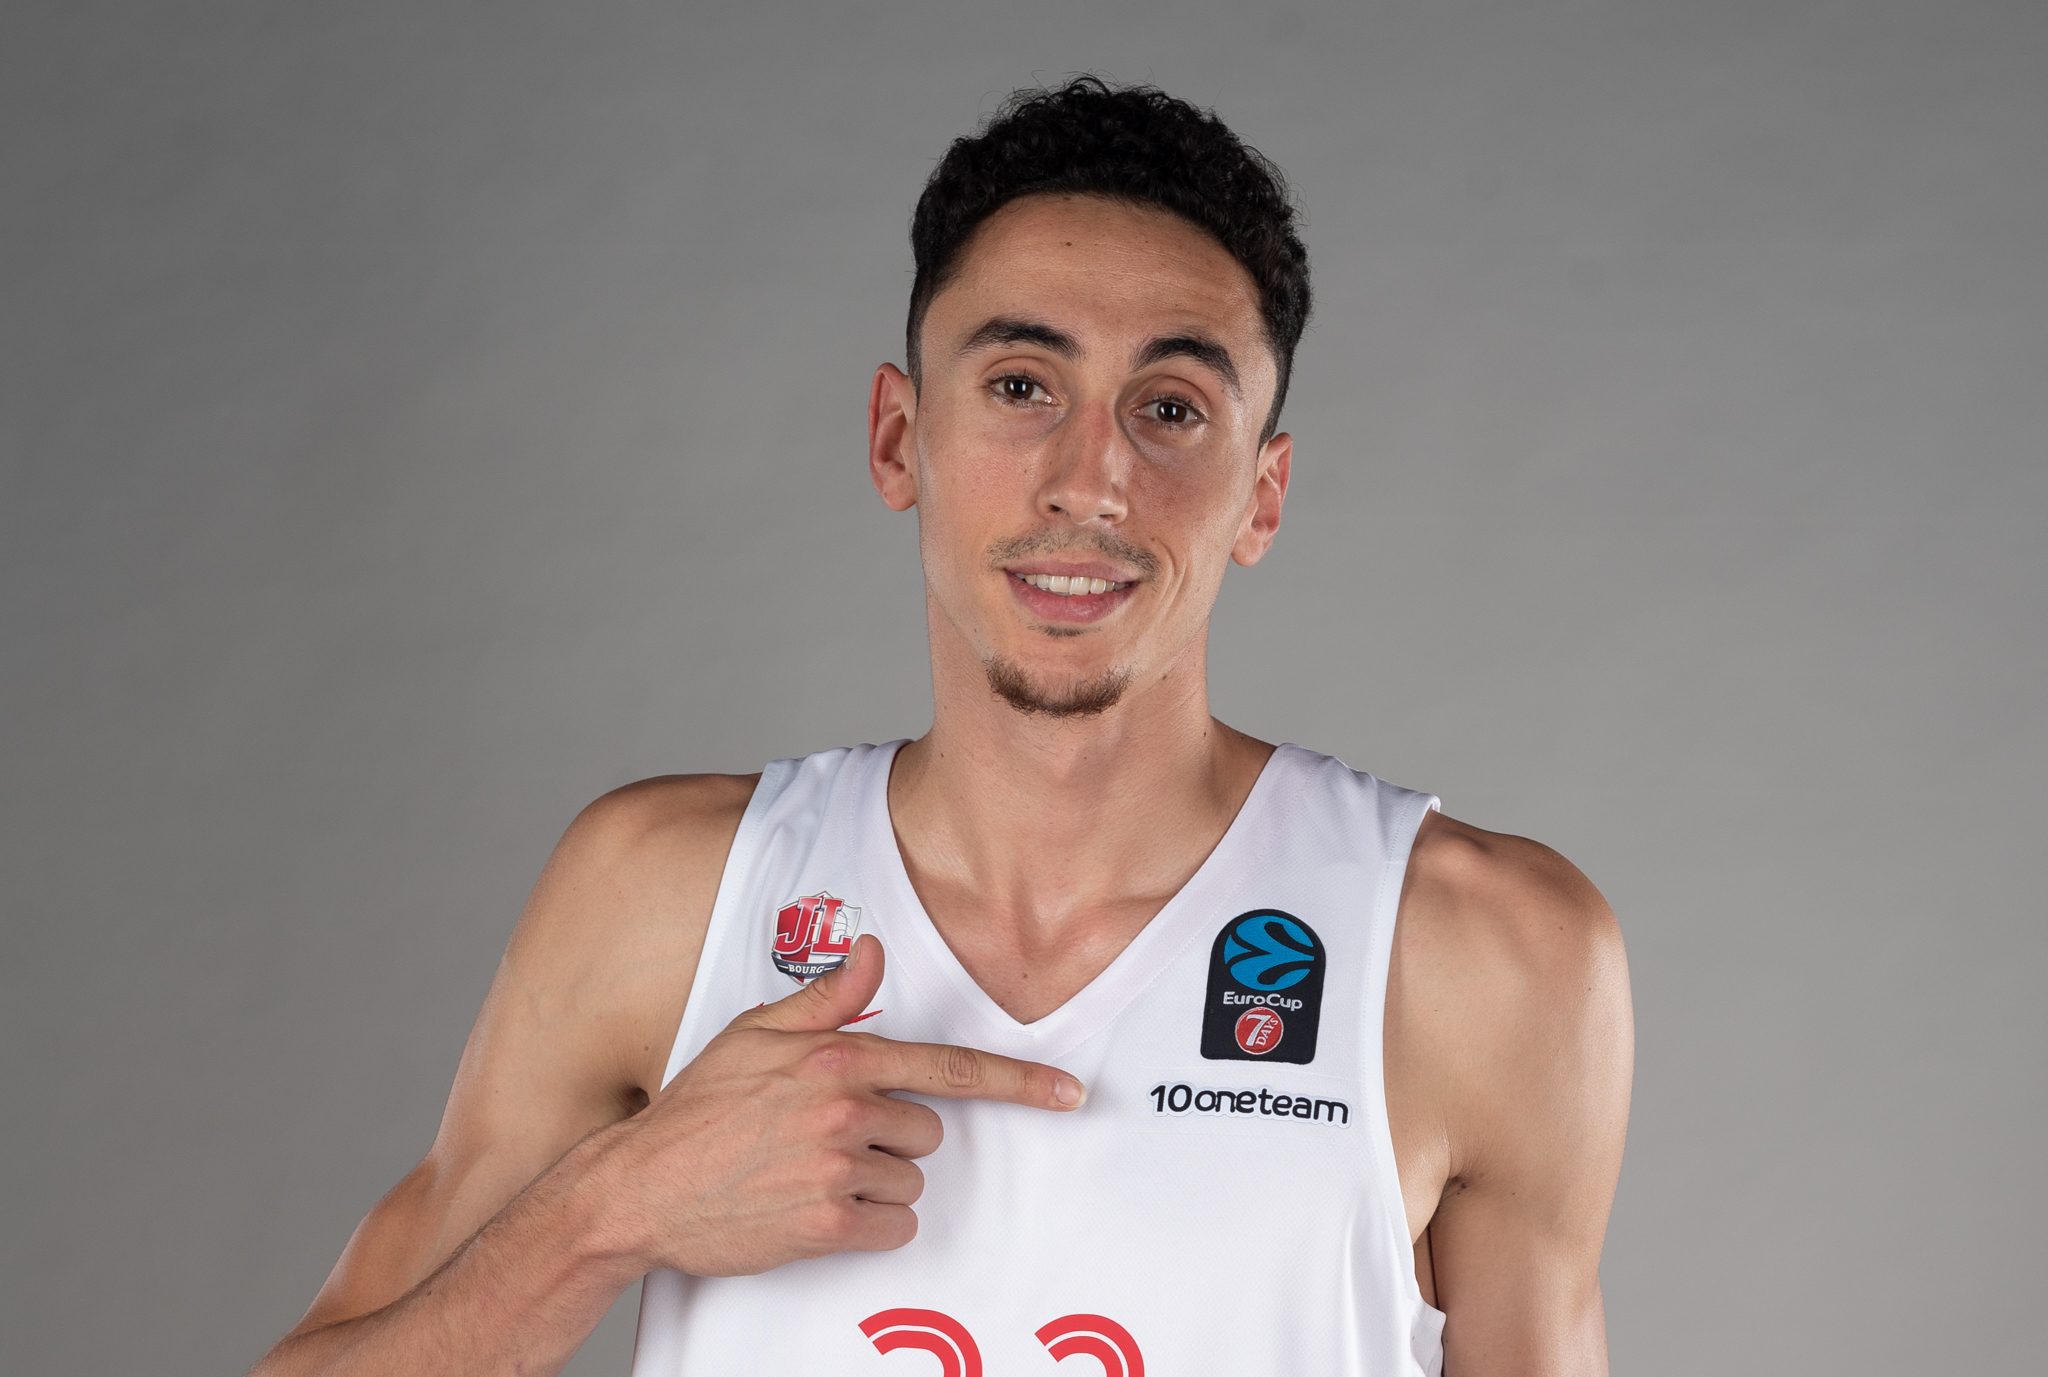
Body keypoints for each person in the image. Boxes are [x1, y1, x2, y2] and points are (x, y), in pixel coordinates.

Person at [253, 77, 1632, 1377]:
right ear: (895, 438)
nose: (1089, 481)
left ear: (1260, 497)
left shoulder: (1481, 953)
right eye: (1022, 386)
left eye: (1169, 408)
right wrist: (610, 1210)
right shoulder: (661, 896)